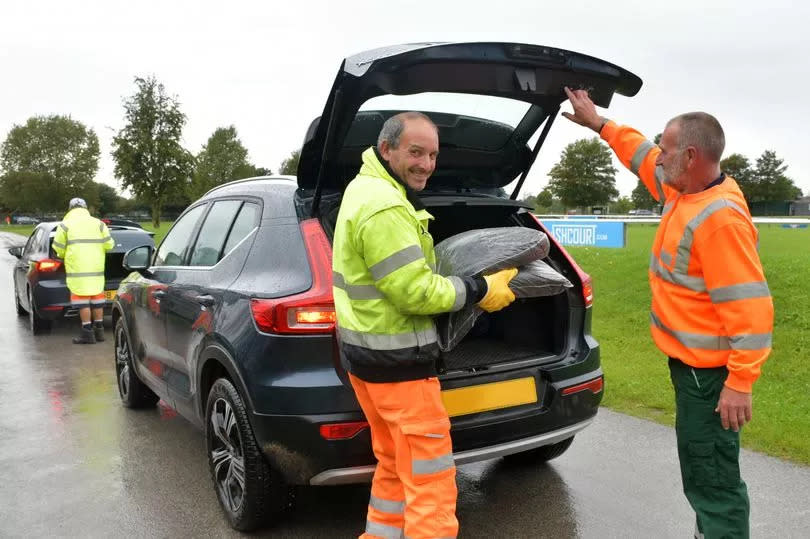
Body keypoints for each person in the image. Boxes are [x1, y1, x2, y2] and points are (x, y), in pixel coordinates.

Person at [562, 88, 774, 538]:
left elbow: (751, 309)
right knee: (703, 474)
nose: (658, 158)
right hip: (692, 372)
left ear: (692, 155)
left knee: (712, 481)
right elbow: (639, 152)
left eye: (667, 149)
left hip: (710, 381)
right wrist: (599, 123)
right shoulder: (683, 188)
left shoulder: (719, 219)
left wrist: (740, 383)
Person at [332, 111, 518, 539]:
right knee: (430, 484)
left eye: (433, 154)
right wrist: (479, 288)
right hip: (401, 368)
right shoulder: (385, 207)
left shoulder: (365, 189)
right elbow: (414, 292)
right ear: (387, 149)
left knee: (395, 466)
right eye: (416, 152)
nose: (427, 164)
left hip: (369, 362)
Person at [52, 198, 115, 344]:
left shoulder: (65, 225)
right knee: (97, 300)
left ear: (70, 209)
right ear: (86, 208)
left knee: (82, 302)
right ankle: (99, 331)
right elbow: (109, 245)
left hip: (78, 270)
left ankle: (87, 333)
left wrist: (63, 255)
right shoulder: (99, 224)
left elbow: (58, 248)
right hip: (96, 268)